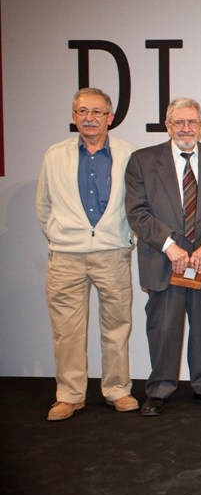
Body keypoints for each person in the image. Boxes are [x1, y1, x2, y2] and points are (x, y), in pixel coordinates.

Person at [125, 98, 201, 416]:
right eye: (179, 122)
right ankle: (159, 389)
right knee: (163, 329)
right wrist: (169, 246)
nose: (186, 128)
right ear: (168, 126)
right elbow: (137, 212)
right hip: (164, 261)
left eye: (192, 122)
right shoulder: (142, 161)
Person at [35, 87, 138, 421]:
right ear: (73, 116)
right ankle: (69, 395)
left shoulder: (128, 154)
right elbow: (44, 206)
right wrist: (60, 236)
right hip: (66, 256)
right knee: (66, 329)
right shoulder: (55, 155)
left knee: (117, 326)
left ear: (110, 117)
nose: (90, 118)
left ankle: (118, 389)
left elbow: (138, 204)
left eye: (97, 112)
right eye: (83, 112)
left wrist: (126, 236)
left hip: (113, 253)